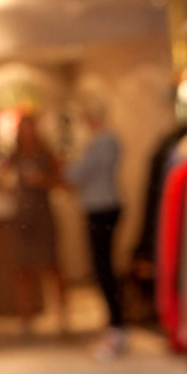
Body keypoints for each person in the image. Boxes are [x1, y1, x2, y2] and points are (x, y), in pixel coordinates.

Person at [67, 98, 125, 360]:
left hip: (102, 208)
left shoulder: (103, 141)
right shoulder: (104, 140)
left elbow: (76, 174)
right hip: (102, 206)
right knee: (103, 267)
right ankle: (114, 324)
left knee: (103, 268)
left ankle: (116, 326)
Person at [1, 113, 68, 336]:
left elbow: (62, 180)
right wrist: (8, 189)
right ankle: (25, 319)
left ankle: (62, 316)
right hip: (23, 217)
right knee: (23, 270)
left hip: (43, 214)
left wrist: (42, 179)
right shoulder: (14, 156)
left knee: (53, 267)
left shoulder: (47, 155)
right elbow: (0, 178)